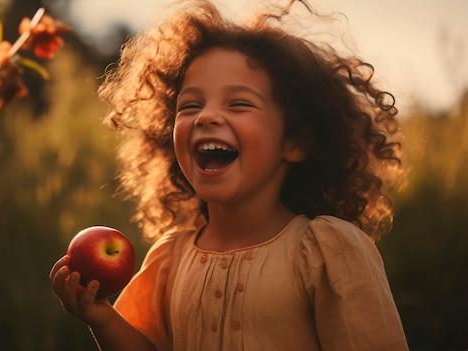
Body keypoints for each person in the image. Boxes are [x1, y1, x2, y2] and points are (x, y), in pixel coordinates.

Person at [50, 0, 409, 350]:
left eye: (238, 103)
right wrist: (103, 318)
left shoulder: (325, 251)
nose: (206, 117)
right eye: (190, 105)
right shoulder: (171, 258)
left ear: (295, 142)